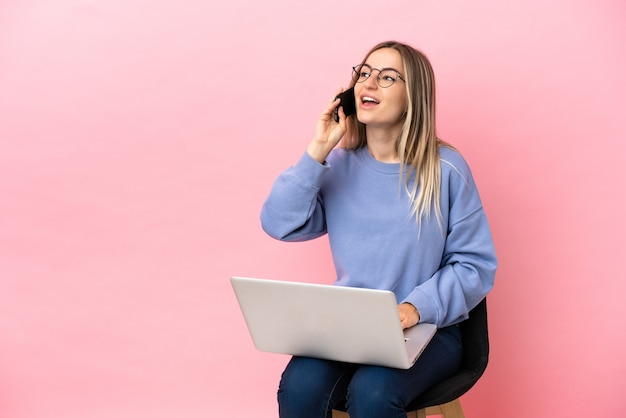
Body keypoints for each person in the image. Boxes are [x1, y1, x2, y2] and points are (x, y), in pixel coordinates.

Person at [260, 40, 497, 418]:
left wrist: (412, 308)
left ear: (413, 95)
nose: (369, 83)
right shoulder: (337, 166)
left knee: (374, 391)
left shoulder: (446, 169)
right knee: (299, 387)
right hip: (349, 329)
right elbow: (279, 224)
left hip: (427, 328)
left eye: (387, 77)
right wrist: (317, 150)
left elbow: (475, 267)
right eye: (364, 73)